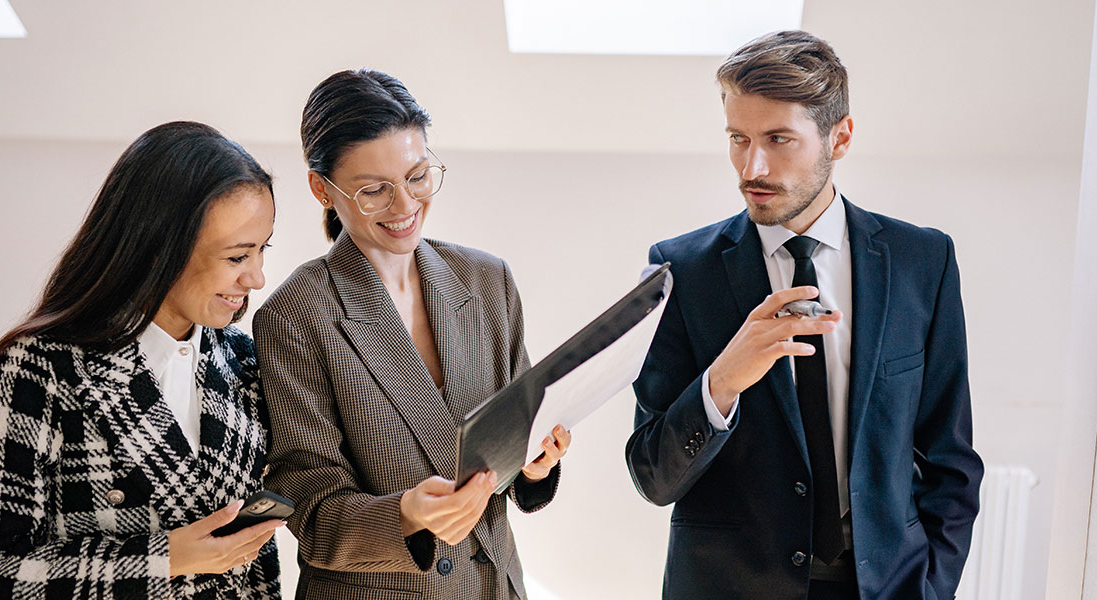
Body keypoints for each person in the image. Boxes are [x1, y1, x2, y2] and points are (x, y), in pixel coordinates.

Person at [625, 31, 983, 600]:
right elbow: (652, 474)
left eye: (779, 139)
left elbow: (951, 460)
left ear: (839, 138)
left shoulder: (924, 261)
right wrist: (722, 383)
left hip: (887, 587)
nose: (753, 165)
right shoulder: (678, 271)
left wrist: (933, 585)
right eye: (738, 139)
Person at [0, 121, 283, 599]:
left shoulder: (243, 362)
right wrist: (164, 559)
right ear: (160, 247)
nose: (257, 278)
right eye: (238, 257)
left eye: (263, 250)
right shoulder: (40, 367)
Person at [254, 68, 570, 600]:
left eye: (418, 176)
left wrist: (535, 463)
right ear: (321, 189)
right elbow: (309, 509)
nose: (404, 207)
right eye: (374, 190)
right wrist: (405, 513)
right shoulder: (297, 314)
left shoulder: (486, 280)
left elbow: (515, 439)